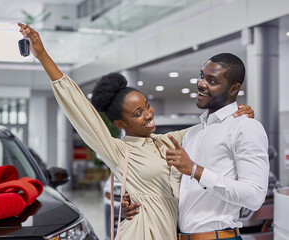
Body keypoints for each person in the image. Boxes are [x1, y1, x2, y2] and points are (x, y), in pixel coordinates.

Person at [17, 23, 254, 240]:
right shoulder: (118, 151)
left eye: (147, 106)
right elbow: (82, 112)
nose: (149, 115)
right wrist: (43, 56)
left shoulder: (167, 141)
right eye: (138, 113)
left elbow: (209, 126)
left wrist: (237, 112)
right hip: (142, 232)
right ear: (120, 124)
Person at [122, 53, 270, 240]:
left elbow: (254, 196)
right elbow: (179, 192)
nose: (201, 83)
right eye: (202, 76)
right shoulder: (193, 134)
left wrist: (195, 170)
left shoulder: (245, 127)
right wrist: (139, 202)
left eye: (212, 80)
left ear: (234, 89)